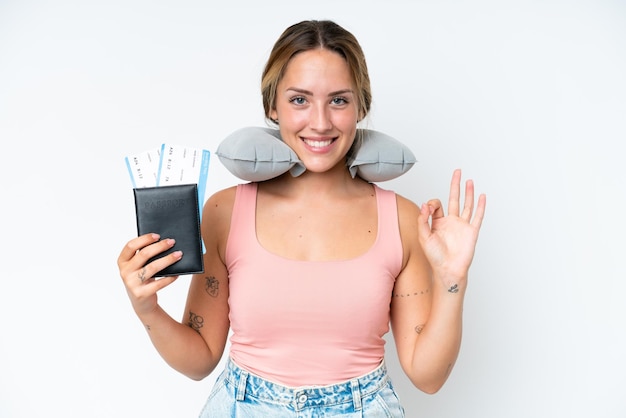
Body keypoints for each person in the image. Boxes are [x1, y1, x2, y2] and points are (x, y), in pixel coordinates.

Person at [117, 19, 486, 417]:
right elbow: (200, 357)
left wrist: (452, 282)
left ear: (361, 105)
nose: (321, 122)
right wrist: (148, 309)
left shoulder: (402, 220)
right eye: (299, 100)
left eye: (339, 100)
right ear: (271, 105)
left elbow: (427, 377)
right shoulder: (224, 212)